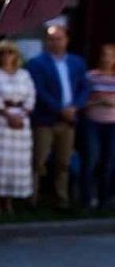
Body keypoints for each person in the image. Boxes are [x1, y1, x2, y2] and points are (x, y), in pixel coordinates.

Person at [25, 24, 88, 209]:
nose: (55, 43)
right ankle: (32, 200)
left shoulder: (77, 62)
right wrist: (61, 109)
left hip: (69, 120)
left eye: (59, 39)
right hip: (45, 119)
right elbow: (39, 91)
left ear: (66, 40)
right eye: (51, 39)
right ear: (46, 42)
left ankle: (62, 200)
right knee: (39, 161)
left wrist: (75, 107)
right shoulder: (36, 63)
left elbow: (84, 87)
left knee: (64, 163)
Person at [0, 41, 36, 214]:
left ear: (16, 55)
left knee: (15, 162)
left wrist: (22, 114)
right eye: (3, 52)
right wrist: (8, 115)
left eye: (10, 52)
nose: (7, 56)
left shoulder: (24, 74)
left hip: (21, 121)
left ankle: (9, 201)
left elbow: (31, 95)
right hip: (0, 120)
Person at [82, 43, 115, 210]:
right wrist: (98, 102)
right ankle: (87, 199)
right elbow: (82, 102)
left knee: (109, 162)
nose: (106, 58)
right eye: (104, 54)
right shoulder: (91, 76)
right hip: (93, 122)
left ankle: (104, 200)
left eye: (110, 55)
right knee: (91, 159)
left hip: (112, 124)